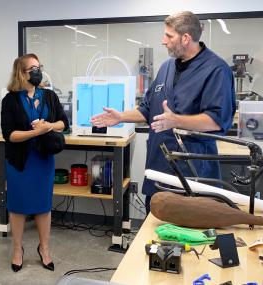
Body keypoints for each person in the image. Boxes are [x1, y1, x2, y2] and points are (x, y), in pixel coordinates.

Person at [91, 11, 236, 213]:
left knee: (190, 234)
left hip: (192, 171)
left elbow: (217, 121)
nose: (163, 41)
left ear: (186, 38)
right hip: (159, 168)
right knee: (155, 229)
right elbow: (148, 109)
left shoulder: (216, 70)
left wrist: (175, 120)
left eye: (169, 36)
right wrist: (121, 117)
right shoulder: (166, 67)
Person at [1, 54, 69, 272]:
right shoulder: (10, 100)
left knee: (43, 207)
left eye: (39, 67)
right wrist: (34, 132)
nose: (38, 72)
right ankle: (18, 249)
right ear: (22, 72)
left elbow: (63, 124)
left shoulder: (49, 96)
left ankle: (45, 248)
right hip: (20, 162)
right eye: (33, 68)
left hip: (43, 160)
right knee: (18, 207)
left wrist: (47, 126)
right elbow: (9, 135)